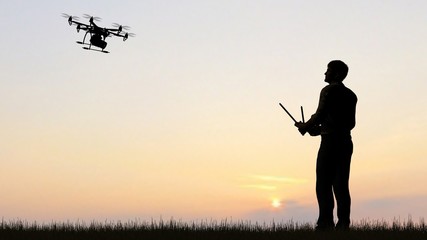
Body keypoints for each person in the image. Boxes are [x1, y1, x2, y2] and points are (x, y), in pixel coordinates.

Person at [295, 60, 357, 230]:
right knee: (341, 184)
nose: (325, 74)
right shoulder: (351, 95)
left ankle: (325, 223)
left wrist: (305, 126)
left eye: (328, 71)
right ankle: (344, 223)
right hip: (345, 142)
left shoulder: (328, 90)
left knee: (323, 183)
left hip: (330, 143)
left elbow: (320, 114)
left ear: (337, 74)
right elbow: (348, 123)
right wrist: (315, 130)